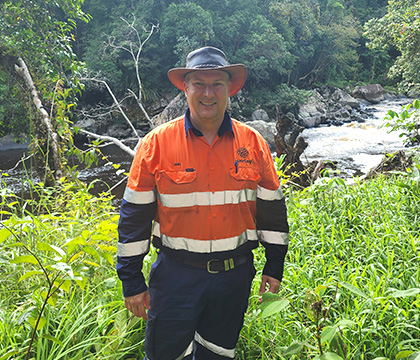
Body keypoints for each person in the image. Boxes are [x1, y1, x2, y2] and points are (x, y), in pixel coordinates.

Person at [117, 46, 289, 360]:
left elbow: (272, 212)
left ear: (230, 89)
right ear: (185, 88)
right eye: (199, 84)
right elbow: (134, 219)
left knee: (218, 355)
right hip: (174, 278)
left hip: (233, 279)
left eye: (216, 84)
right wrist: (131, 280)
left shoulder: (253, 144)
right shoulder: (155, 145)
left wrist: (274, 265)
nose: (208, 93)